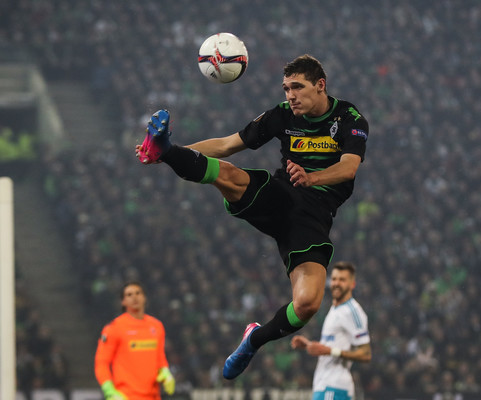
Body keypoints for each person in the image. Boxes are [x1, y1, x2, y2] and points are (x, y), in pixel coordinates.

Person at [136, 54, 369, 380]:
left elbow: (349, 167)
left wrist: (313, 177)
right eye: (286, 88)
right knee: (229, 176)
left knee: (307, 305)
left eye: (298, 87)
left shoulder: (349, 118)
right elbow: (227, 144)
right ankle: (168, 150)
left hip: (314, 214)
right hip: (282, 196)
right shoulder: (281, 115)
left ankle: (253, 339)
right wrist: (169, 153)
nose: (290, 95)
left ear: (320, 85)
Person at [291, 261, 372, 400]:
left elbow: (366, 354)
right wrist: (309, 345)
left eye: (342, 280)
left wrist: (329, 351)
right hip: (324, 385)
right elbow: (333, 345)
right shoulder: (335, 309)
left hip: (335, 386)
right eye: (334, 279)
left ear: (352, 284)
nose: (336, 283)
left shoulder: (353, 311)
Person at [94, 281, 175, 400]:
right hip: (126, 396)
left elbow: (159, 358)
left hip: (153, 396)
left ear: (145, 297)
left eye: (138, 293)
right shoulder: (114, 328)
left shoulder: (156, 326)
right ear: (123, 301)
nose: (134, 297)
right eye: (129, 295)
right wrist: (109, 390)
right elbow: (101, 363)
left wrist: (166, 372)